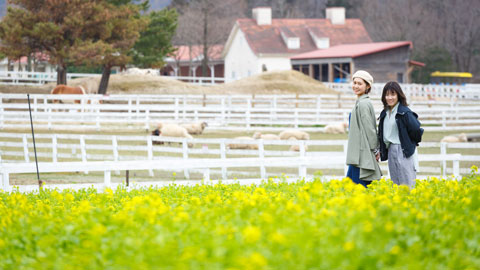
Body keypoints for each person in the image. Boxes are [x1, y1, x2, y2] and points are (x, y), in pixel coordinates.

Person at [378, 81, 423, 188]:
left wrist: (411, 143)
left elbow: (416, 129)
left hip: (403, 150)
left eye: (393, 94)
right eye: (387, 94)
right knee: (396, 183)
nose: (390, 97)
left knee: (407, 183)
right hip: (391, 150)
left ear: (398, 95)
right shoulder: (384, 112)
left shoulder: (404, 112)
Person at [346, 70, 382, 187]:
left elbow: (369, 129)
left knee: (359, 189)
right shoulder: (360, 102)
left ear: (367, 86)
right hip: (356, 153)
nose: (356, 86)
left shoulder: (363, 104)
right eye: (354, 82)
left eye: (359, 84)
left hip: (361, 154)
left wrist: (375, 149)